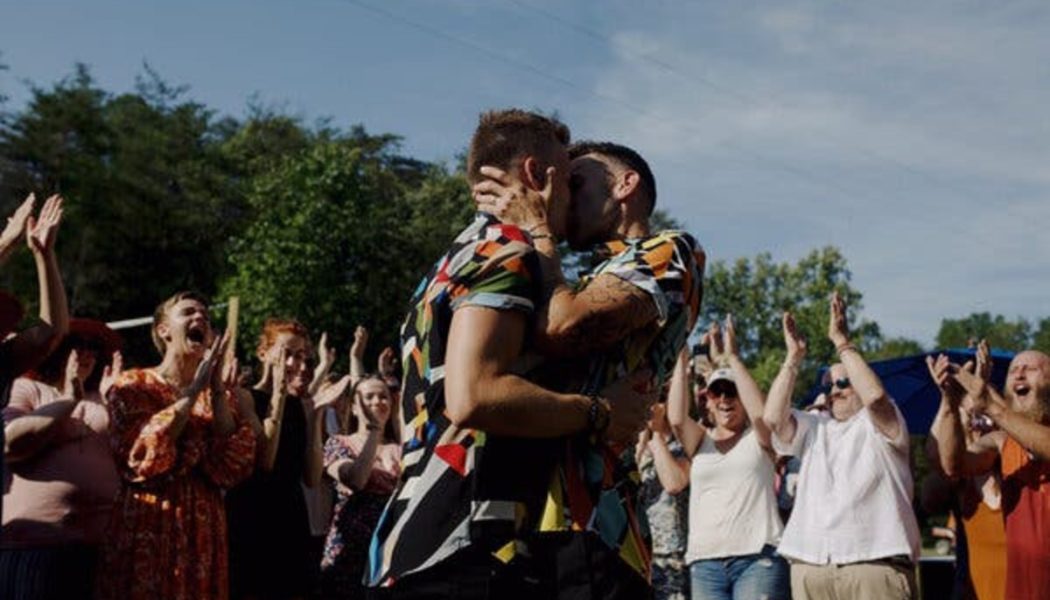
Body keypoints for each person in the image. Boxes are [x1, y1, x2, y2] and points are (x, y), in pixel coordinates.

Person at [365, 110, 658, 599]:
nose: (573, 200)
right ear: (536, 176)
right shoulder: (507, 249)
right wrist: (599, 412)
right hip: (462, 544)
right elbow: (475, 395)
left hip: (416, 539)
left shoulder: (451, 259)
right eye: (570, 179)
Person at [474, 139, 705, 599]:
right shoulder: (582, 279)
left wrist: (536, 226)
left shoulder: (672, 252)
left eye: (576, 181)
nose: (561, 193)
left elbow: (563, 326)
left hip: (597, 523)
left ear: (625, 185)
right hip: (533, 518)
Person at [96, 291, 257, 600]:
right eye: (188, 313)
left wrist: (217, 390)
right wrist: (195, 388)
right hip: (152, 520)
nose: (200, 319)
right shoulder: (134, 384)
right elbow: (141, 456)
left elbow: (234, 464)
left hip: (204, 528)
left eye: (206, 318)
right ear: (163, 330)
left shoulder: (217, 395)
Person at [764, 298, 921, 600]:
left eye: (844, 382)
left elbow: (874, 397)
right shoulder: (814, 426)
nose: (834, 390)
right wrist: (793, 358)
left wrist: (842, 343)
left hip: (873, 565)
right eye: (829, 385)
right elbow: (772, 417)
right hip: (812, 567)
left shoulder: (884, 422)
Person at [668, 318, 788, 600]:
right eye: (716, 392)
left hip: (758, 559)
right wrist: (680, 356)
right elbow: (675, 417)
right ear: (707, 399)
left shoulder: (759, 439)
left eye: (732, 392)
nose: (724, 398)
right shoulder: (700, 440)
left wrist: (732, 358)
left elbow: (761, 414)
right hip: (705, 562)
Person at [1, 319, 120, 599]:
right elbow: (11, 442)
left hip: (98, 550)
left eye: (94, 348)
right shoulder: (27, 388)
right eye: (78, 345)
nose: (87, 353)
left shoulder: (103, 399)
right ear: (56, 350)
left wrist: (117, 403)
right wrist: (68, 399)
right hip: (34, 547)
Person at [227, 319, 344, 600]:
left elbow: (312, 477)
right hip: (252, 517)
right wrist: (278, 394)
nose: (297, 363)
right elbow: (264, 460)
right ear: (263, 353)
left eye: (303, 356)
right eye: (288, 353)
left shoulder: (298, 405)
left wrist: (315, 414)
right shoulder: (244, 397)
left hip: (291, 517)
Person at [928, 346, 1050, 599]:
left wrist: (992, 406)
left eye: (1030, 369)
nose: (1019, 374)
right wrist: (950, 402)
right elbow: (953, 464)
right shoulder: (1001, 441)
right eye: (1014, 370)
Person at [923, 340, 1006, 600]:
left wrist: (981, 398)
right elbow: (930, 492)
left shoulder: (1019, 469)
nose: (980, 424)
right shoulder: (961, 480)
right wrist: (950, 400)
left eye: (986, 416)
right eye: (973, 418)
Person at [320, 375, 401, 599]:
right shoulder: (339, 443)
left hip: (389, 552)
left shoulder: (402, 448)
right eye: (368, 397)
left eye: (383, 396)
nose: (377, 402)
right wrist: (374, 431)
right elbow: (356, 479)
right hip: (350, 554)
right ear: (354, 408)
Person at [636, 350, 692, 600]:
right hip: (644, 558)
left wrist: (657, 435)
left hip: (675, 560)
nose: (654, 404)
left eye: (661, 396)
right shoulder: (640, 448)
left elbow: (674, 483)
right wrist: (642, 438)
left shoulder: (686, 445)